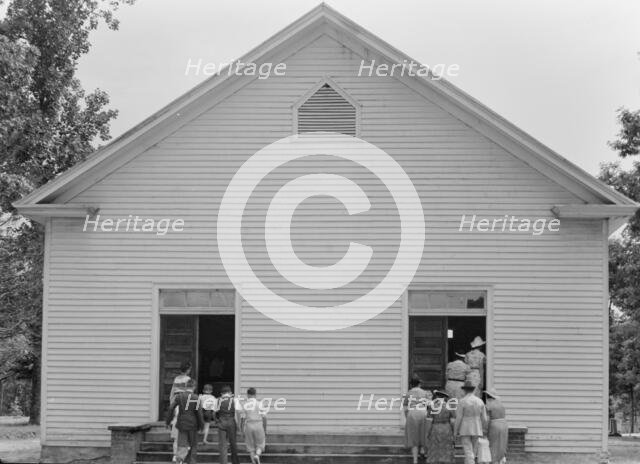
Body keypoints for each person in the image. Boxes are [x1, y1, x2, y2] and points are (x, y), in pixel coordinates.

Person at [165, 378, 204, 464]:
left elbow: (171, 408)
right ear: (194, 387)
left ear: (186, 386)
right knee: (193, 446)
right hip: (193, 425)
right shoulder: (196, 398)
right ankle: (191, 461)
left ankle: (179, 460)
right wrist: (202, 426)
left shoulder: (179, 396)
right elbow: (199, 414)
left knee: (182, 445)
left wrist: (168, 421)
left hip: (182, 424)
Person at [454, 380, 488, 464]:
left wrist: (455, 431)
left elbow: (459, 417)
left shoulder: (462, 401)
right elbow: (484, 418)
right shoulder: (480, 401)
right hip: (477, 426)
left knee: (468, 450)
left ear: (465, 390)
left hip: (465, 427)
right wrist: (484, 428)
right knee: (473, 450)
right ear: (473, 390)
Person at [404, 376, 431, 464]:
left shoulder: (408, 393)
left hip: (412, 412)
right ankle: (422, 450)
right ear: (419, 384)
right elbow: (429, 405)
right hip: (423, 412)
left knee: (413, 436)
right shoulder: (425, 393)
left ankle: (415, 460)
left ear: (411, 384)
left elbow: (405, 408)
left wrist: (407, 417)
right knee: (423, 433)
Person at [169, 360, 193, 460]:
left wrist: (172, 404)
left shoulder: (176, 379)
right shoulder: (188, 379)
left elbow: (172, 392)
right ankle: (183, 451)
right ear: (188, 370)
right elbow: (189, 393)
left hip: (176, 403)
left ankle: (176, 453)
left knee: (176, 426)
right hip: (184, 403)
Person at [426, 390, 455, 464]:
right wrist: (454, 432)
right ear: (444, 398)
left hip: (435, 428)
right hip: (447, 428)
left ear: (437, 397)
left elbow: (429, 421)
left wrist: (427, 432)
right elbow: (452, 421)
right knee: (446, 448)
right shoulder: (450, 407)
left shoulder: (432, 407)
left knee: (435, 448)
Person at [240, 387, 267, 464]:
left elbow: (242, 419)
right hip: (258, 424)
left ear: (247, 395)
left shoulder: (245, 404)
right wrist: (264, 429)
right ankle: (257, 455)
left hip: (249, 425)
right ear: (255, 394)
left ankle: (253, 461)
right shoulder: (259, 403)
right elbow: (264, 418)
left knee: (250, 446)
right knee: (261, 443)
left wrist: (242, 430)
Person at [216, 385, 240, 464]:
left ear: (222, 393)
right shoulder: (234, 400)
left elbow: (214, 412)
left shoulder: (218, 400)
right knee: (233, 443)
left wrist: (217, 420)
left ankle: (224, 462)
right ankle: (235, 462)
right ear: (230, 392)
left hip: (221, 422)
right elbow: (238, 412)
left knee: (222, 445)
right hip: (231, 422)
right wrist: (238, 424)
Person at [484, 389, 508, 464]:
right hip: (504, 424)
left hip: (494, 425)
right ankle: (501, 460)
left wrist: (485, 430)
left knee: (493, 444)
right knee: (502, 444)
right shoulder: (501, 404)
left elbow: (487, 419)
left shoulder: (489, 405)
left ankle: (494, 461)